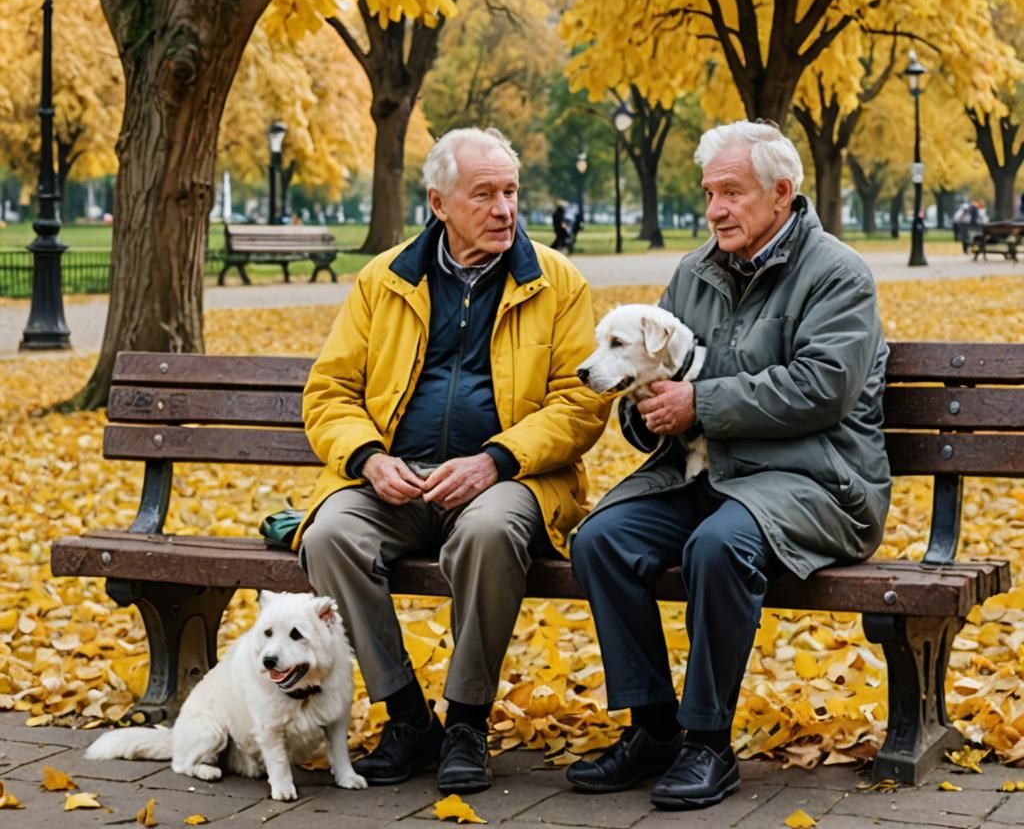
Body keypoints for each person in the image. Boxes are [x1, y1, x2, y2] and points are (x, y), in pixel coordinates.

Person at [566, 120, 891, 811]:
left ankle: (707, 740)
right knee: (601, 539)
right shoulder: (694, 272)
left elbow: (822, 387)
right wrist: (643, 410)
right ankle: (653, 728)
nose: (715, 209)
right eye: (710, 192)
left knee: (717, 545)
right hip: (709, 476)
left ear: (782, 192)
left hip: (819, 482)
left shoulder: (837, 274)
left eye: (732, 193)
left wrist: (700, 405)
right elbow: (648, 375)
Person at [297, 127, 609, 795]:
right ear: (437, 202)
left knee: (489, 530)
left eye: (510, 193)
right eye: (484, 194)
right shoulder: (383, 280)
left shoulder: (557, 284)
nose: (503, 210)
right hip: (398, 481)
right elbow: (329, 393)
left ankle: (465, 718)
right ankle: (408, 716)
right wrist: (369, 458)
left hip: (512, 479)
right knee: (330, 534)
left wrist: (497, 458)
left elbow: (582, 403)